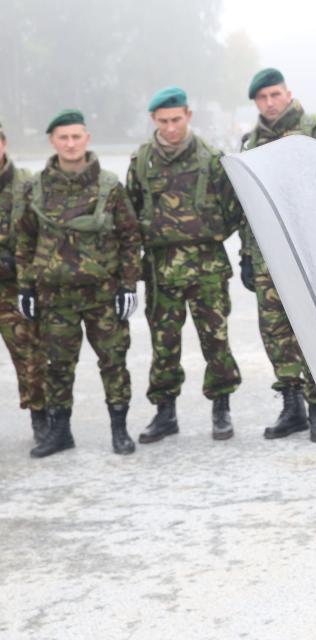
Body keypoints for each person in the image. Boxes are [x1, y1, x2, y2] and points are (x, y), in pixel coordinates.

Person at [16, 109, 140, 458]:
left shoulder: (109, 186)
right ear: (53, 142)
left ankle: (119, 429)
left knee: (114, 362)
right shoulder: (35, 188)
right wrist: (26, 287)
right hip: (55, 298)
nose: (70, 144)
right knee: (57, 366)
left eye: (76, 137)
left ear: (87, 138)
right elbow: (25, 241)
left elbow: (130, 238)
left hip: (101, 295)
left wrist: (128, 285)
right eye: (63, 138)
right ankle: (60, 432)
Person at [127, 86, 243, 443]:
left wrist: (204, 233)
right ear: (153, 121)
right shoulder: (142, 160)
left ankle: (221, 408)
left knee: (216, 340)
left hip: (206, 266)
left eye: (176, 119)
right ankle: (165, 413)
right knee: (163, 344)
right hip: (161, 270)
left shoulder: (211, 157)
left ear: (188, 116)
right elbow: (130, 215)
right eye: (163, 121)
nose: (171, 127)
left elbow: (233, 209)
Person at [239, 68, 316, 444]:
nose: (270, 102)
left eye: (275, 94)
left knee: (312, 330)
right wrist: (247, 255)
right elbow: (248, 202)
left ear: (288, 93)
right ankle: (291, 406)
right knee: (275, 332)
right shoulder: (251, 142)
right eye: (262, 98)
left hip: (308, 250)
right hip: (267, 255)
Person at [0, 119, 47, 443]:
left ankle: (41, 418)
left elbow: (42, 235)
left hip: (13, 287)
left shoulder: (27, 185)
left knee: (29, 355)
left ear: (3, 144)